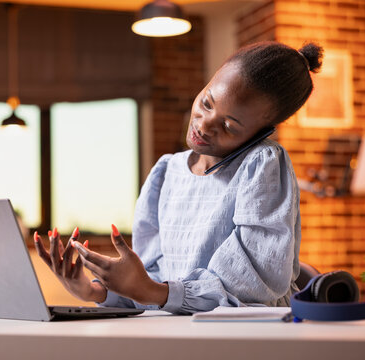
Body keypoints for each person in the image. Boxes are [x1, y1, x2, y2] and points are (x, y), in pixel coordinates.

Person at [34, 41, 323, 314]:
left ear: (261, 133)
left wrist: (153, 291)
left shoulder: (261, 164)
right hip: (181, 331)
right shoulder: (167, 172)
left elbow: (247, 288)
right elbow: (152, 283)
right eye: (207, 102)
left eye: (229, 125)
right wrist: (94, 291)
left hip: (249, 335)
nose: (204, 124)